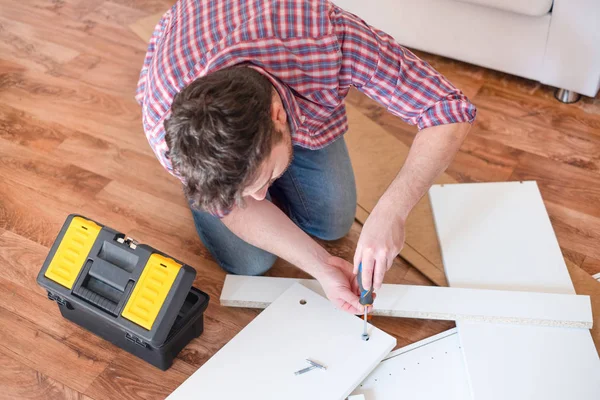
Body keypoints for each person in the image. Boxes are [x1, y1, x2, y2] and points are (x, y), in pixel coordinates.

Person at [136, 0, 476, 314]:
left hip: (293, 73)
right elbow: (241, 204)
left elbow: (448, 109)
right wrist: (322, 267)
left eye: (265, 180)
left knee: (332, 223)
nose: (257, 198)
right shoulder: (167, 125)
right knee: (250, 263)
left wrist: (391, 211)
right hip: (198, 39)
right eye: (248, 189)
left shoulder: (325, 38)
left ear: (276, 115)